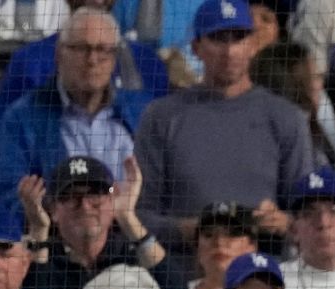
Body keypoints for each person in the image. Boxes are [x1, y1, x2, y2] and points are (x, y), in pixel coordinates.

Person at [133, 0, 314, 253]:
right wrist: (194, 230)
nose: (229, 51)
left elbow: (310, 215)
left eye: (238, 38)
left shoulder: (285, 118)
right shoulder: (162, 116)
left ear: (252, 45)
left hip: (263, 277)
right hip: (183, 273)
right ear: (196, 47)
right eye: (218, 38)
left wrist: (284, 222)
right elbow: (139, 216)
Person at [0, 9, 150, 201]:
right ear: (59, 54)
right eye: (81, 48)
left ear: (114, 60)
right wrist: (56, 209)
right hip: (54, 229)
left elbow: (162, 193)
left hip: (131, 227)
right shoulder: (21, 118)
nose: (92, 60)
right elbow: (6, 194)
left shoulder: (144, 112)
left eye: (103, 50)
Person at [18, 156, 172, 289]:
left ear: (112, 199)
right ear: (54, 209)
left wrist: (127, 217)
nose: (84, 206)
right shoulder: (44, 258)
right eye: (71, 197)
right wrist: (38, 229)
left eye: (95, 194)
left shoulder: (130, 253)